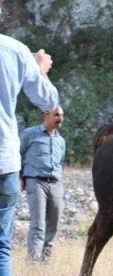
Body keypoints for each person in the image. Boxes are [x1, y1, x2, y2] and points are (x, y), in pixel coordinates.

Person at [0, 25, 60, 276]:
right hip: (4, 162)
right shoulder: (14, 50)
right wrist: (39, 71)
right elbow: (48, 100)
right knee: (1, 248)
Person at [20, 105, 66, 263]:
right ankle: (33, 261)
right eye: (57, 115)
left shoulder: (61, 141)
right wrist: (21, 177)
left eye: (62, 115)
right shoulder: (29, 134)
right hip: (36, 182)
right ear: (46, 115)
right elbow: (19, 155)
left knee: (54, 223)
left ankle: (45, 260)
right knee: (38, 223)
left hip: (56, 184)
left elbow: (60, 162)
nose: (60, 118)